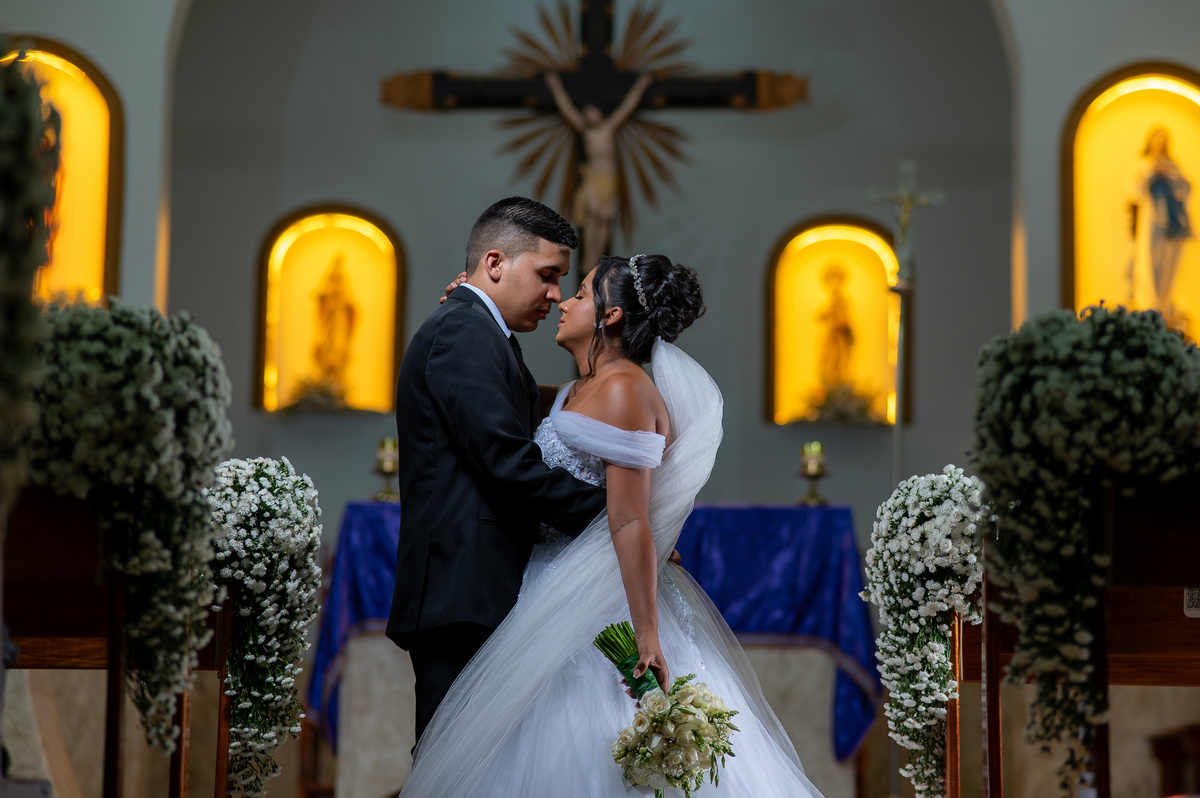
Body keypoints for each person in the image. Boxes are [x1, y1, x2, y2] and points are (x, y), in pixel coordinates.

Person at [400, 254, 825, 797]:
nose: (566, 301)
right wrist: (474, 307)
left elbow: (628, 520)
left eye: (580, 293)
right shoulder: (583, 386)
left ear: (612, 315)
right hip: (548, 584)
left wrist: (646, 632)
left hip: (594, 602)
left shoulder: (624, 390)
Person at [386, 197, 608, 745]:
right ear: (495, 264)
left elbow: (528, 412)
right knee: (455, 770)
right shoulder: (465, 333)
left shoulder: (483, 332)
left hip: (476, 590)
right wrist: (619, 518)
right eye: (548, 276)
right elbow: (510, 464)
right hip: (462, 595)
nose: (555, 294)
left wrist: (611, 390)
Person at [545, 71, 653, 272]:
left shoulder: (609, 128)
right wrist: (555, 86)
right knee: (592, 216)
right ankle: (587, 258)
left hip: (608, 179)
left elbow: (627, 107)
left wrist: (641, 85)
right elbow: (567, 109)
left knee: (604, 219)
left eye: (591, 111)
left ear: (600, 112)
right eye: (585, 112)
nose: (588, 115)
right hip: (593, 178)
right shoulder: (586, 132)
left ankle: (597, 258)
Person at [1127, 125, 1192, 326]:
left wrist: (1170, 177)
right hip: (1151, 221)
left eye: (1164, 140)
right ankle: (1149, 305)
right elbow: (1133, 191)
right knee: (1148, 260)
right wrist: (1152, 175)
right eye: (1157, 139)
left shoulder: (1173, 165)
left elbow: (1186, 187)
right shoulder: (1142, 164)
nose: (1160, 144)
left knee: (1168, 263)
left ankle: (1164, 305)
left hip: (1171, 225)